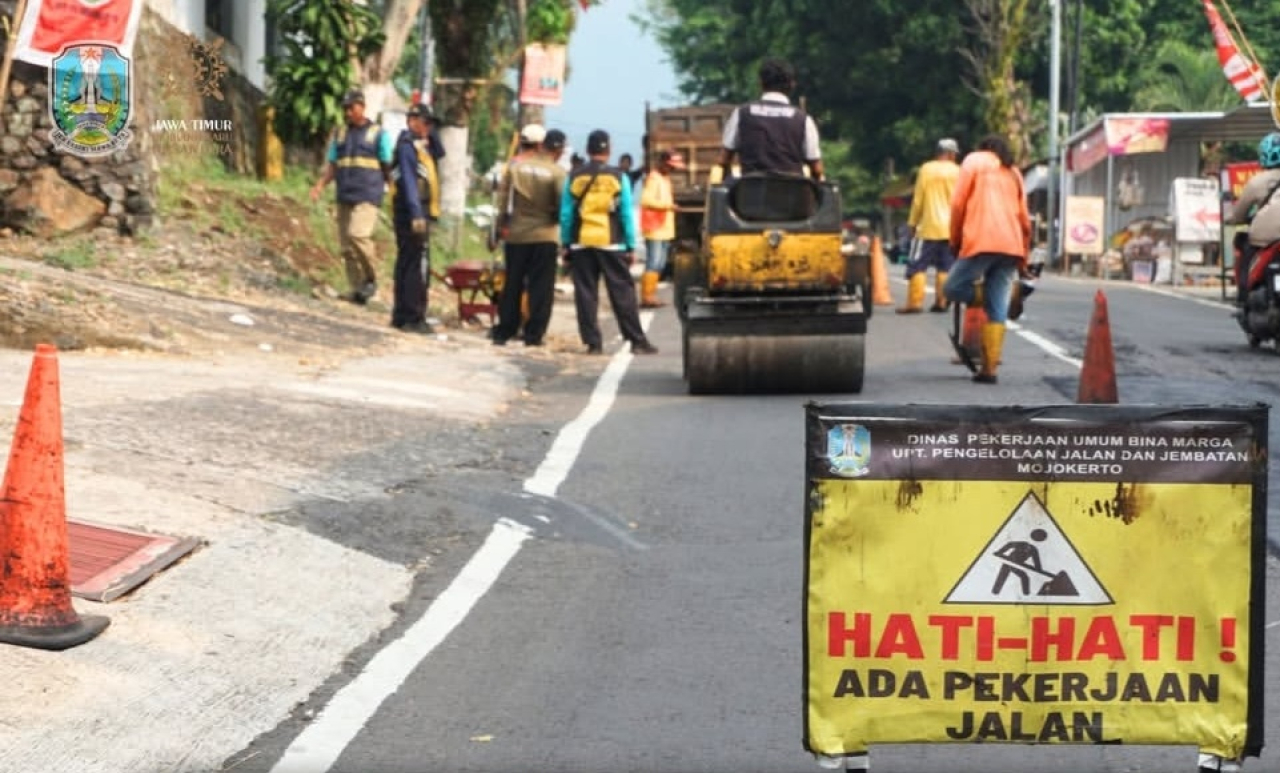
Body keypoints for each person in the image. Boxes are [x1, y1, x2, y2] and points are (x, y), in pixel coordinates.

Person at [942, 134, 1032, 385]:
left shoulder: (973, 161)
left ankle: (1006, 296)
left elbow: (958, 204)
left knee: (952, 288)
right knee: (996, 310)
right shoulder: (1013, 170)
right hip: (1011, 244)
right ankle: (989, 370)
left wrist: (955, 239)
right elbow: (1025, 218)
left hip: (981, 240)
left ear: (983, 147)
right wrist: (1024, 255)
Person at [560, 129, 659, 356]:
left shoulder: (574, 176)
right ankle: (636, 341)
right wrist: (630, 245)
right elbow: (625, 213)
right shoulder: (618, 177)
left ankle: (593, 343)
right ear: (609, 150)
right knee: (622, 292)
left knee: (586, 293)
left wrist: (566, 243)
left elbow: (566, 214)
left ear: (588, 149)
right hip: (611, 242)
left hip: (581, 242)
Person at [310, 89, 395, 305]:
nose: (348, 112)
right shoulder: (340, 134)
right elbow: (333, 165)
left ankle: (372, 277)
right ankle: (358, 291)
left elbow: (387, 165)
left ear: (362, 107)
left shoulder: (378, 134)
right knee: (347, 246)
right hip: (345, 194)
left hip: (368, 194)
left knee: (358, 235)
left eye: (352, 107)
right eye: (345, 108)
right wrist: (320, 185)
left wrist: (394, 189)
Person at [490, 128, 568, 347]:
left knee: (512, 283)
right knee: (540, 288)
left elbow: (503, 203)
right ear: (559, 150)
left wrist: (498, 230)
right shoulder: (557, 173)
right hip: (545, 236)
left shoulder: (516, 168)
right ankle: (534, 334)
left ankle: (504, 331)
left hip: (517, 235)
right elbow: (562, 207)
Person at [718, 57, 823, 180]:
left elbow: (724, 160)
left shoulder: (741, 113)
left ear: (761, 83)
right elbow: (817, 168)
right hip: (792, 194)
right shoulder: (803, 120)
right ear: (792, 85)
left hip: (750, 191)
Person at [386, 102, 440, 333]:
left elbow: (441, 151)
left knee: (408, 262)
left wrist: (430, 130)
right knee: (415, 265)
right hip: (412, 211)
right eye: (424, 122)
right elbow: (409, 181)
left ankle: (402, 313)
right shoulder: (408, 146)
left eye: (430, 123)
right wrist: (417, 214)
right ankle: (411, 316)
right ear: (412, 121)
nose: (427, 128)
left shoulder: (421, 145)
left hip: (415, 209)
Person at [897, 138, 960, 314]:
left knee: (917, 265)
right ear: (950, 154)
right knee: (945, 266)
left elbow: (918, 200)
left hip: (927, 227)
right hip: (950, 229)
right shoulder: (958, 171)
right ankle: (942, 301)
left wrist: (912, 223)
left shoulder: (926, 169)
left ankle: (915, 303)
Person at [1225, 132, 1280, 303]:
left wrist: (1231, 219)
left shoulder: (1257, 182)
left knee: (1245, 249)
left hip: (1265, 237)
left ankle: (1243, 293)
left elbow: (1238, 214)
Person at [638, 149, 685, 307]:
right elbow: (646, 200)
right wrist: (668, 206)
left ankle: (651, 295)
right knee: (654, 262)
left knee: (660, 263)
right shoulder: (653, 178)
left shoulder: (664, 179)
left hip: (663, 226)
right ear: (663, 163)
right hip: (654, 226)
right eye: (670, 166)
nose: (672, 169)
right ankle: (647, 296)